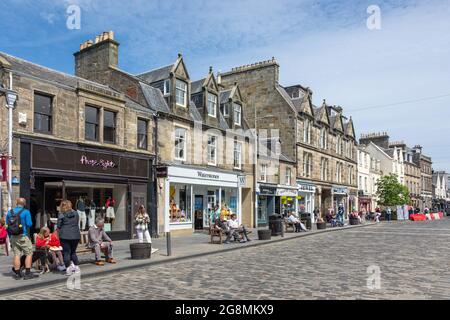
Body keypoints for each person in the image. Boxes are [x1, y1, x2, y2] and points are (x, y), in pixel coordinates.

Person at [6, 198, 36, 280]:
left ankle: (18, 274)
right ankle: (27, 273)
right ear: (24, 204)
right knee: (29, 253)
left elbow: (7, 226)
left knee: (16, 254)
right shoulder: (26, 212)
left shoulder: (10, 212)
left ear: (17, 203)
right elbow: (29, 224)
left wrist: (9, 236)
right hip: (23, 236)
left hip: (13, 236)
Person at [57, 199, 81, 276]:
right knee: (73, 252)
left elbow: (59, 226)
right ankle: (76, 268)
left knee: (66, 253)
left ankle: (68, 269)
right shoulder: (76, 213)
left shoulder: (61, 214)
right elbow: (76, 222)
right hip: (75, 235)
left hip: (65, 235)